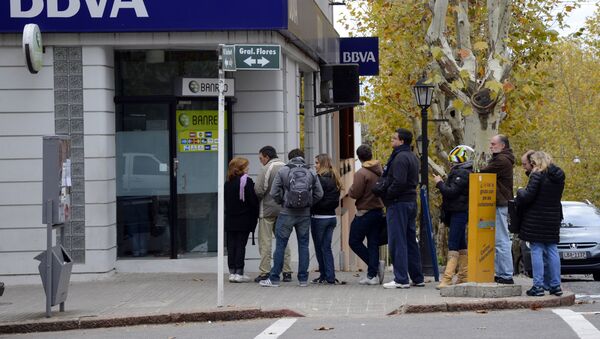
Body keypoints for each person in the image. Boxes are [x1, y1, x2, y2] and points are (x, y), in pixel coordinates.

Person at [260, 149, 323, 287]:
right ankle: (303, 279)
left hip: (286, 213)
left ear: (289, 158)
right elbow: (319, 193)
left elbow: (273, 192)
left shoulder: (283, 171)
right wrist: (309, 203)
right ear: (303, 157)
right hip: (305, 215)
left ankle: (275, 278)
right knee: (303, 245)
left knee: (281, 245)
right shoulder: (311, 171)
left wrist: (282, 202)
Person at [380, 128, 424, 289]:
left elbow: (398, 182)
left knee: (397, 241)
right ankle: (417, 277)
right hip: (411, 201)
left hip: (398, 203)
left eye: (394, 138)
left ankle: (401, 279)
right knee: (411, 240)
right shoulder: (412, 157)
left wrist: (388, 195)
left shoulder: (399, 158)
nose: (391, 140)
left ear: (401, 141)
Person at [516, 151, 565, 296]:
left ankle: (538, 286)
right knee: (552, 250)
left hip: (536, 218)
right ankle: (556, 285)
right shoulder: (559, 176)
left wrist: (519, 191)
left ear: (535, 162)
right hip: (553, 218)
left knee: (536, 249)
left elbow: (528, 196)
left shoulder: (537, 176)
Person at [433, 145, 474, 289]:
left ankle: (447, 278)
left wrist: (439, 183)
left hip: (458, 212)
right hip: (458, 211)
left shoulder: (462, 173)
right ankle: (464, 275)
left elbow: (451, 192)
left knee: (453, 244)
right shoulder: (463, 171)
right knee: (461, 244)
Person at [254, 146, 293, 283]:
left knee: (265, 242)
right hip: (284, 210)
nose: (261, 161)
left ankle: (265, 272)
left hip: (267, 210)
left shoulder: (266, 169)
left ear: (266, 156)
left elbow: (258, 190)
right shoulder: (287, 167)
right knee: (283, 241)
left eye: (261, 158)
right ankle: (287, 271)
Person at [480, 134, 515, 284]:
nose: (491, 146)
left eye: (493, 144)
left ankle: (506, 274)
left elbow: (483, 172)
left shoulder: (501, 160)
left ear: (503, 146)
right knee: (500, 239)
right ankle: (502, 273)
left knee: (501, 240)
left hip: (501, 203)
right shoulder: (503, 159)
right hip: (501, 202)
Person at [348, 144, 385, 285]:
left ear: (359, 157)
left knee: (354, 241)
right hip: (378, 211)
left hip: (365, 212)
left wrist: (350, 190)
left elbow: (355, 193)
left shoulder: (361, 173)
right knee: (373, 243)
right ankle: (372, 276)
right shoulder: (379, 170)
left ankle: (374, 267)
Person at [224, 157, 259, 283]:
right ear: (241, 168)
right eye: (246, 166)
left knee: (231, 245)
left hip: (230, 219)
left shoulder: (228, 182)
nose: (248, 168)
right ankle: (239, 272)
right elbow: (252, 201)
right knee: (240, 246)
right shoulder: (246, 181)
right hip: (243, 218)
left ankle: (232, 272)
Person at [310, 154, 342, 284]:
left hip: (319, 217)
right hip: (331, 217)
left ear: (322, 164)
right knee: (327, 247)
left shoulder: (318, 179)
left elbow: (316, 197)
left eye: (317, 163)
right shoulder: (335, 178)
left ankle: (324, 275)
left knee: (319, 248)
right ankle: (330, 277)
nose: (315, 165)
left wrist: (311, 206)